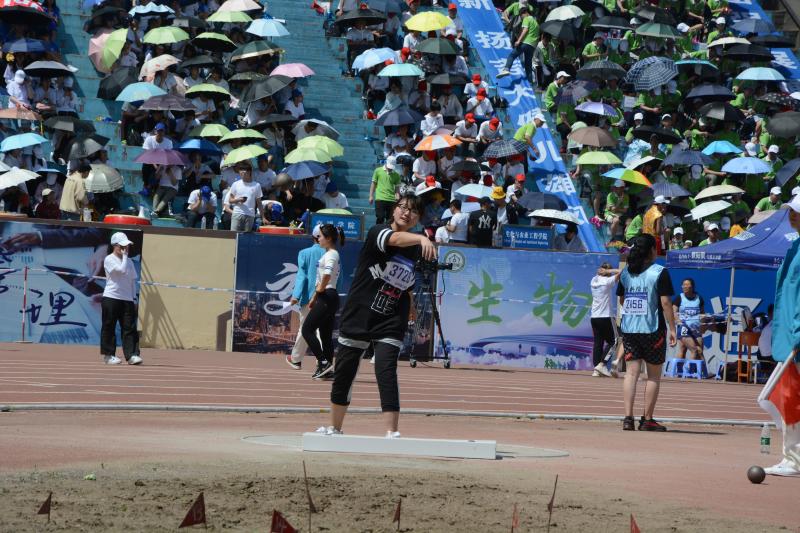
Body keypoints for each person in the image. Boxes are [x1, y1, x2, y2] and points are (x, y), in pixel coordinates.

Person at [318, 193, 436, 438]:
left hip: (391, 316)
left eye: (413, 211)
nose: (407, 213)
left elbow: (407, 281)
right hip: (359, 312)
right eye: (402, 207)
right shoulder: (378, 232)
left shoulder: (416, 248)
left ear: (418, 218)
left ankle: (392, 432)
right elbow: (394, 239)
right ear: (394, 210)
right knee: (345, 373)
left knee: (386, 370)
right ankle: (334, 427)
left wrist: (412, 305)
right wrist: (422, 237)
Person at [617, 233, 676, 431]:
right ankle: (647, 419)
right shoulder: (659, 272)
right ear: (652, 250)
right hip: (652, 329)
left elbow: (622, 300)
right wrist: (673, 329)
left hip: (629, 329)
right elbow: (666, 303)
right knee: (653, 376)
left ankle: (628, 418)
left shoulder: (626, 273)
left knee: (631, 374)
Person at [762, 196, 800, 476]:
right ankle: (792, 457)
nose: (792, 215)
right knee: (789, 396)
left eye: (797, 212)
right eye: (791, 211)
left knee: (791, 397)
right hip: (789, 335)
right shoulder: (794, 246)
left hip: (795, 336)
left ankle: (794, 459)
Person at [302, 224, 345, 380]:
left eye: (320, 236)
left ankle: (323, 362)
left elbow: (327, 275)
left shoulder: (332, 254)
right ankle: (328, 370)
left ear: (329, 238)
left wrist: (319, 291)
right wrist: (315, 297)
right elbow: (322, 278)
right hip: (326, 296)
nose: (317, 238)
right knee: (325, 336)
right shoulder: (328, 253)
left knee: (307, 330)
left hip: (327, 296)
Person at [287, 226, 327, 371]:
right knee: (322, 330)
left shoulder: (304, 253)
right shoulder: (332, 253)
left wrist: (296, 295)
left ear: (313, 237)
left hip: (308, 298)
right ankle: (323, 360)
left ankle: (296, 359)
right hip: (326, 297)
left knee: (305, 329)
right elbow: (338, 277)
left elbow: (301, 276)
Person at [101, 232, 142, 366]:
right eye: (122, 246)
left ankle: (132, 355)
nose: (126, 248)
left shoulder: (129, 261)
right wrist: (124, 257)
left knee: (129, 328)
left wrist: (134, 299)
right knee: (109, 326)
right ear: (115, 245)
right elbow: (121, 270)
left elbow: (132, 281)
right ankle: (109, 355)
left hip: (127, 299)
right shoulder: (109, 259)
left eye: (127, 245)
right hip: (111, 297)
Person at [591, 263, 620, 378]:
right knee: (615, 340)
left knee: (598, 342)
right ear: (607, 271)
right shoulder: (607, 281)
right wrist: (609, 271)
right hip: (606, 316)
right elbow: (623, 271)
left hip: (594, 317)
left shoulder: (593, 280)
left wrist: (604, 271)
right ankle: (602, 364)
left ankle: (596, 369)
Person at [227, 161, 266, 232]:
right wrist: (239, 199)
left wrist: (263, 217)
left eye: (244, 170)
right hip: (237, 213)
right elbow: (230, 200)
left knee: (247, 237)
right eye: (241, 170)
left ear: (249, 172)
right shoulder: (235, 184)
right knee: (234, 235)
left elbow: (259, 203)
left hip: (250, 215)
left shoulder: (257, 185)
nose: (242, 172)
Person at [672, 278, 705, 361]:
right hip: (684, 328)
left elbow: (702, 313)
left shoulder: (699, 298)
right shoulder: (679, 298)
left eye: (687, 284)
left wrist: (703, 324)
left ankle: (699, 369)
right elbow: (674, 312)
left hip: (696, 329)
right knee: (685, 350)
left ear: (692, 286)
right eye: (683, 285)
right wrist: (678, 321)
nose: (685, 286)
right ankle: (682, 369)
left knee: (700, 351)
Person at [369, 156, 401, 224]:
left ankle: (387, 230)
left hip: (391, 199)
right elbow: (373, 184)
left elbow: (397, 189)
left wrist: (397, 195)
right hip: (380, 198)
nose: (390, 168)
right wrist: (371, 196)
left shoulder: (396, 175)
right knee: (380, 217)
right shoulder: (378, 170)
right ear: (386, 162)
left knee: (389, 220)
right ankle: (378, 229)